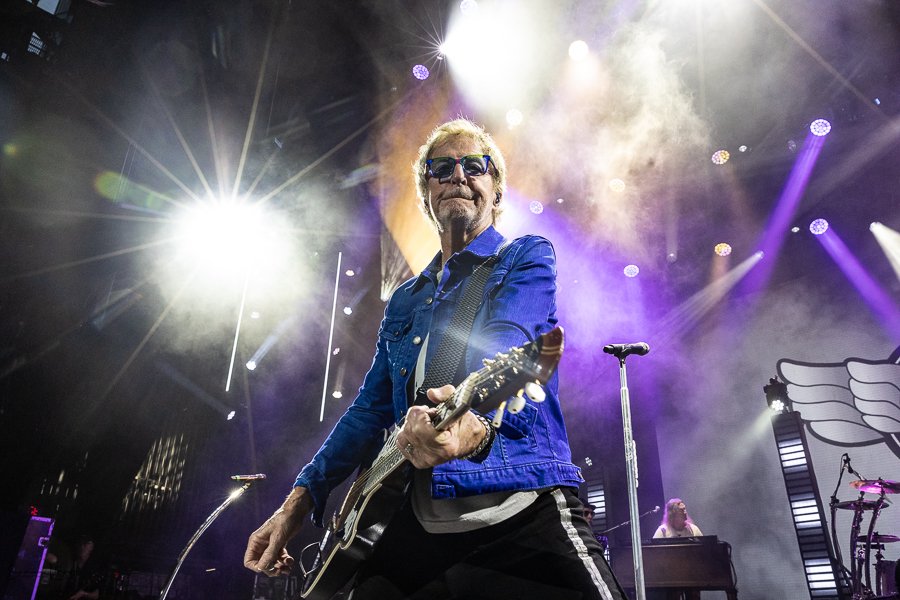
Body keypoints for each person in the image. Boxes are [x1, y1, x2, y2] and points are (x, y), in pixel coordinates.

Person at [243, 118, 626, 600]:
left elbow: (507, 342)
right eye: (441, 168)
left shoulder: (525, 257)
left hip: (522, 508)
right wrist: (298, 502)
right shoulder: (405, 299)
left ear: (496, 190)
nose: (457, 175)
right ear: (427, 195)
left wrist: (474, 428)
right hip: (411, 521)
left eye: (474, 165)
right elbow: (368, 411)